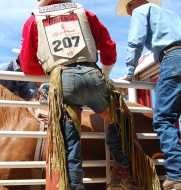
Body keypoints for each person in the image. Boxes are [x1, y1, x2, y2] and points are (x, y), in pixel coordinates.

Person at [19, 0, 151, 189]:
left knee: (69, 142)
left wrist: (51, 73)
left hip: (62, 80)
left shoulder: (33, 21)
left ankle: (73, 185)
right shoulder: (85, 13)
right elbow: (108, 48)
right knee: (117, 119)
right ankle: (122, 173)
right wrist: (103, 76)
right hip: (93, 76)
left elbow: (27, 64)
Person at [116, 0, 181, 189]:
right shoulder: (172, 15)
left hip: (172, 59)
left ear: (132, 4)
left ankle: (176, 174)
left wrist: (129, 73)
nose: (129, 14)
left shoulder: (140, 11)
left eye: (128, 9)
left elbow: (135, 41)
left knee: (163, 119)